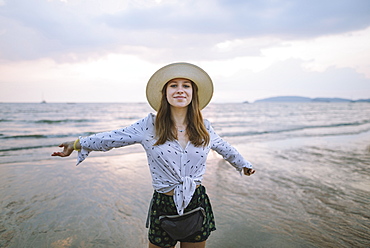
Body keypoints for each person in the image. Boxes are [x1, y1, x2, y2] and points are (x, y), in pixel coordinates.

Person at [52, 62, 255, 248]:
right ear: (165, 93)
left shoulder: (204, 127)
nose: (180, 90)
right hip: (163, 204)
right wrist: (77, 143)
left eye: (186, 85)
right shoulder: (149, 125)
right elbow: (112, 138)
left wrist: (243, 164)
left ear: (193, 93)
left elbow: (224, 147)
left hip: (196, 202)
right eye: (173, 85)